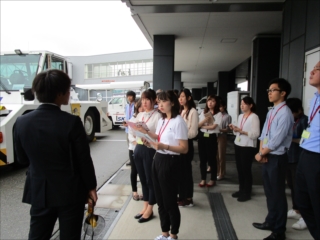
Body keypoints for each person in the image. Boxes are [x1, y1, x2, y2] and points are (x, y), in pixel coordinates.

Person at [14, 69, 97, 239]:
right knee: (70, 235)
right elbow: (84, 160)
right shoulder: (71, 122)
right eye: (67, 90)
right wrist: (91, 187)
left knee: (38, 234)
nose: (69, 94)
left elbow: (22, 159)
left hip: (39, 191)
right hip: (70, 192)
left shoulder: (22, 122)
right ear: (59, 94)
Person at [253, 78, 293, 240]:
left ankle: (279, 230)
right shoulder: (272, 111)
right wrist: (261, 151)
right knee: (269, 193)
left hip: (277, 158)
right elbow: (264, 134)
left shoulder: (285, 113)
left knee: (277, 195)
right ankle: (271, 221)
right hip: (267, 155)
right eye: (268, 90)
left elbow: (277, 140)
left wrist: (261, 153)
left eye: (273, 90)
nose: (269, 93)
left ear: (282, 93)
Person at [145, 90, 188, 240]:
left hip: (171, 161)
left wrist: (165, 147)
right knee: (160, 201)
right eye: (159, 101)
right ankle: (164, 233)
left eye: (164, 101)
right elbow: (159, 137)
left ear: (173, 103)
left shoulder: (179, 121)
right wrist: (146, 136)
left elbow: (184, 148)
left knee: (170, 201)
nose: (160, 104)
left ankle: (174, 234)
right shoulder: (163, 120)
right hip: (158, 160)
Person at [295, 61, 320, 240]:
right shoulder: (315, 98)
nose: (312, 71)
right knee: (303, 203)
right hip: (306, 154)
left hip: (317, 157)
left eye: (317, 69)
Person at [133, 89, 162, 223]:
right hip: (138, 148)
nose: (144, 102)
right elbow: (134, 132)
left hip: (150, 149)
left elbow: (159, 136)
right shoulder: (140, 115)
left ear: (153, 100)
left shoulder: (158, 116)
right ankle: (145, 207)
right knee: (143, 179)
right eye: (142, 99)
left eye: (147, 99)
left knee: (151, 180)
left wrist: (147, 135)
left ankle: (150, 208)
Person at [229, 97, 260, 202]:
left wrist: (242, 131)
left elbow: (256, 134)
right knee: (239, 169)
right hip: (238, 143)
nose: (242, 106)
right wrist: (234, 128)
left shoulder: (254, 117)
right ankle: (241, 189)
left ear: (251, 105)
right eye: (241, 104)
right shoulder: (241, 116)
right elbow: (238, 130)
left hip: (248, 146)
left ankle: (247, 192)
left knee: (246, 169)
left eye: (244, 104)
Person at [285, 98, 308, 230]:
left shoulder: (305, 121)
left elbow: (304, 140)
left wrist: (290, 138)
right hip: (289, 157)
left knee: (300, 187)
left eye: (292, 112)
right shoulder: (292, 120)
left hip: (298, 158)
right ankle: (296, 209)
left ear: (298, 110)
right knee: (292, 185)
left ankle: (305, 215)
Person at [178, 88, 199, 207]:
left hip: (187, 144)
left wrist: (180, 136)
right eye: (179, 97)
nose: (180, 99)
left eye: (183, 96)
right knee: (180, 172)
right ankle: (181, 196)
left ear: (189, 98)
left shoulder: (193, 112)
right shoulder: (181, 111)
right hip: (179, 144)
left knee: (186, 172)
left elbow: (194, 132)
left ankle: (189, 197)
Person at [198, 95, 222, 187]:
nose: (210, 103)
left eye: (212, 101)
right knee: (202, 159)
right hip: (202, 136)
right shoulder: (203, 113)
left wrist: (202, 126)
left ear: (216, 103)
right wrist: (204, 120)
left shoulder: (218, 114)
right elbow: (197, 125)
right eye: (208, 101)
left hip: (211, 137)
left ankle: (212, 179)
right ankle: (203, 179)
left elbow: (213, 127)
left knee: (212, 159)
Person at [128, 98, 144, 201]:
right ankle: (134, 191)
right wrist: (137, 142)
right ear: (137, 108)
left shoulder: (146, 118)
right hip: (133, 148)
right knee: (134, 170)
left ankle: (143, 192)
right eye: (140, 106)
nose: (142, 108)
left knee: (143, 171)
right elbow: (130, 136)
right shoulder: (132, 120)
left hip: (143, 148)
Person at [217, 100, 232, 181]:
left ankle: (221, 173)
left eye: (221, 107)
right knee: (216, 155)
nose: (219, 108)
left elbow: (228, 129)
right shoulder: (217, 115)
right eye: (218, 107)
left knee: (221, 156)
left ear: (224, 107)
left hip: (222, 136)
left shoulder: (227, 116)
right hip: (215, 136)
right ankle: (218, 171)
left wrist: (219, 129)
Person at [124, 90, 136, 166]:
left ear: (134, 97)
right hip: (127, 128)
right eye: (128, 96)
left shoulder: (136, 105)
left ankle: (135, 160)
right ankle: (131, 160)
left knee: (134, 144)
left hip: (133, 128)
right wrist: (125, 122)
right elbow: (126, 116)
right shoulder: (127, 106)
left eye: (130, 96)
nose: (129, 97)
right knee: (129, 145)